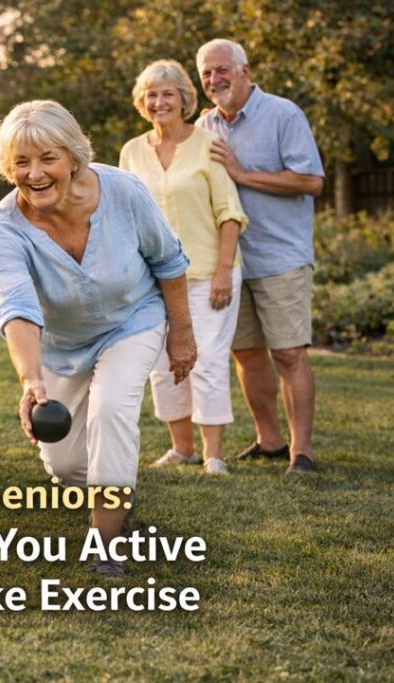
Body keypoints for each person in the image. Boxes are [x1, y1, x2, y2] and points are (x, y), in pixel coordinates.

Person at [0, 100, 195, 576]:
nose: (34, 174)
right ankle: (116, 490)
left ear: (73, 156)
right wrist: (30, 380)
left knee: (112, 409)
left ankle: (107, 546)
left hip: (132, 319)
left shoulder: (121, 191)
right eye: (21, 162)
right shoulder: (2, 228)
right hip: (62, 343)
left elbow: (169, 261)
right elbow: (16, 307)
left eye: (47, 159)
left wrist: (181, 333)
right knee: (63, 465)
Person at [195, 39, 325, 474]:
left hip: (280, 257)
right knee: (246, 354)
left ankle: (300, 452)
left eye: (221, 70)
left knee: (288, 354)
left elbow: (311, 182)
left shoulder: (283, 114)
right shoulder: (203, 125)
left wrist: (242, 174)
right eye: (206, 74)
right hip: (228, 261)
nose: (214, 80)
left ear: (244, 69)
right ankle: (269, 440)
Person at [119, 59, 247, 475]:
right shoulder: (132, 152)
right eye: (151, 95)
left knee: (207, 358)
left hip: (210, 272)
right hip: (152, 280)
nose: (159, 102)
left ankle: (213, 454)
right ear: (142, 102)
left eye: (168, 94)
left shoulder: (205, 144)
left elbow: (229, 213)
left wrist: (225, 270)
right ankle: (182, 448)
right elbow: (124, 218)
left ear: (185, 100)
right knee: (162, 360)